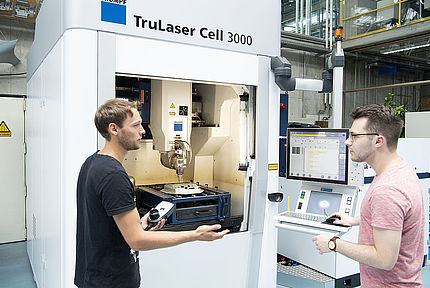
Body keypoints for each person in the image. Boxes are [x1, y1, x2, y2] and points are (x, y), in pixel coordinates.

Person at [74, 99, 229, 288]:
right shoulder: (114, 175)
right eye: (136, 125)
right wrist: (194, 235)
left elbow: (104, 224)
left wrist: (140, 224)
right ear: (114, 129)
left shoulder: (92, 162)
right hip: (110, 282)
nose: (143, 131)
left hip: (94, 276)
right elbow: (138, 241)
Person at [312, 104, 425, 287]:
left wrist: (333, 244)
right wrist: (356, 220)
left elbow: (384, 259)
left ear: (378, 141)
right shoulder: (399, 169)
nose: (348, 142)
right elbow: (397, 218)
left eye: (355, 136)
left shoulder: (388, 189)